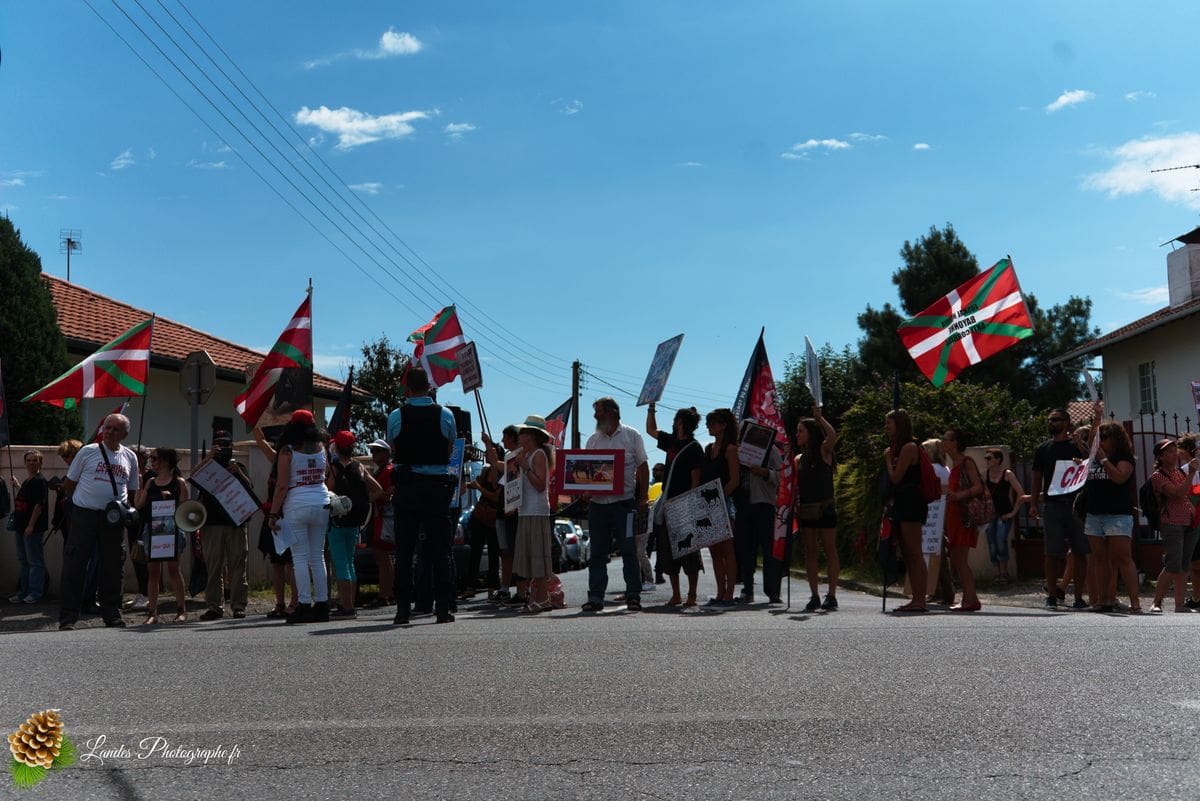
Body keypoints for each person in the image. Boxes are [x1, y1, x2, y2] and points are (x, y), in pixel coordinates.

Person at [387, 366, 458, 625]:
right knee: (440, 549)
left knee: (405, 551)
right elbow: (449, 449)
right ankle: (443, 609)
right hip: (436, 487)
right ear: (429, 387)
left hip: (407, 487)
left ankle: (402, 610)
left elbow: (393, 448)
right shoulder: (445, 414)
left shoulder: (396, 416)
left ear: (407, 389)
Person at [57, 413, 140, 630]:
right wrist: (81, 504)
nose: (109, 432)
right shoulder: (87, 452)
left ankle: (112, 614)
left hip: (113, 519)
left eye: (115, 429)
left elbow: (132, 491)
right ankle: (68, 618)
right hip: (85, 514)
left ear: (124, 434)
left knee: (113, 567)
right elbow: (69, 484)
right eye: (107, 427)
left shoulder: (130, 457)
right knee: (75, 565)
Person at [582, 397, 649, 612]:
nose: (595, 416)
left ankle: (633, 595)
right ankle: (596, 597)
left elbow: (643, 466)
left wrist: (643, 498)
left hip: (624, 504)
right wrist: (584, 490)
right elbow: (586, 472)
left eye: (599, 411)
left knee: (629, 550)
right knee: (597, 553)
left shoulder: (632, 435)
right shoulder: (593, 440)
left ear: (612, 412)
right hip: (598, 505)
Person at [268, 410, 332, 624]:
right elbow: (326, 473)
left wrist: (273, 513)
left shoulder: (288, 451)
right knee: (318, 556)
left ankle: (303, 605)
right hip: (321, 502)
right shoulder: (322, 447)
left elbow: (281, 485)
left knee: (300, 557)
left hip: (297, 503)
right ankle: (322, 605)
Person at [1082, 408, 1141, 613]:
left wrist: (1104, 460)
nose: (1099, 442)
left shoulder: (1124, 458)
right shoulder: (1094, 456)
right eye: (1099, 438)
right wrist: (1097, 418)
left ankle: (1135, 603)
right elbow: (1091, 439)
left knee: (1122, 557)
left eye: (1104, 438)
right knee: (1099, 558)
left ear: (1115, 439)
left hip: (1117, 514)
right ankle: (1104, 600)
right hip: (1094, 513)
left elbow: (1119, 478)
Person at [1029, 408, 1089, 609]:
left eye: (1056, 419)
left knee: (1080, 552)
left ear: (1066, 422)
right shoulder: (1043, 448)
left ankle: (1079, 598)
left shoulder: (1077, 446)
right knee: (1051, 553)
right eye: (1049, 420)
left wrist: (1081, 455)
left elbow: (1090, 466)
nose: (1051, 422)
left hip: (1075, 505)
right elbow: (1037, 477)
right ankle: (1052, 596)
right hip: (1052, 504)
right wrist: (1033, 503)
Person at [645, 404, 704, 607]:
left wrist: (691, 506)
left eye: (675, 419)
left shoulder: (694, 447)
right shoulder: (671, 441)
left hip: (684, 504)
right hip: (668, 504)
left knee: (689, 551)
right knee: (668, 551)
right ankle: (676, 594)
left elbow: (696, 479)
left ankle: (692, 595)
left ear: (680, 422)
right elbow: (651, 430)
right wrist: (651, 408)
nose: (673, 422)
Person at [193, 431, 254, 621]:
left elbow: (250, 487)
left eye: (226, 444)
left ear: (232, 446)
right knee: (214, 567)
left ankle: (238, 605)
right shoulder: (207, 466)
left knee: (238, 565)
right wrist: (208, 459)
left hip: (236, 522)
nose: (222, 448)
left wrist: (239, 473)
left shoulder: (238, 465)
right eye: (218, 444)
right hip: (212, 523)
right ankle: (214, 607)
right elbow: (193, 478)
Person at [326, 430, 382, 618]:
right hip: (355, 522)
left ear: (336, 447)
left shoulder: (333, 468)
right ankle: (350, 603)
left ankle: (347, 606)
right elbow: (378, 490)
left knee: (341, 563)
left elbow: (328, 493)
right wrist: (364, 501)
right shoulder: (359, 467)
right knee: (350, 562)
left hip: (337, 521)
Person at [133, 447, 188, 624]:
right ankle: (152, 613)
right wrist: (138, 486)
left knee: (173, 569)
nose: (152, 461)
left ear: (165, 461)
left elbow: (185, 510)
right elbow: (139, 505)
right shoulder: (150, 482)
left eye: (155, 458)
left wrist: (170, 500)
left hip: (172, 530)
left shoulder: (179, 482)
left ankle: (181, 610)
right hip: (153, 531)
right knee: (153, 572)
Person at [794, 406, 839, 611]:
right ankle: (814, 595)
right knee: (810, 552)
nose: (797, 434)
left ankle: (832, 595)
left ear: (810, 433)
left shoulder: (824, 451)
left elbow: (832, 435)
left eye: (801, 431)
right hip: (807, 510)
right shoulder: (798, 459)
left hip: (825, 508)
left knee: (830, 550)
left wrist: (820, 419)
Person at [884, 409, 927, 614]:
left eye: (889, 423)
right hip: (901, 502)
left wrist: (887, 460)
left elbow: (895, 477)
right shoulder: (898, 447)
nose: (886, 427)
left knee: (914, 552)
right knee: (907, 554)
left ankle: (920, 599)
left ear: (899, 425)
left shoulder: (909, 447)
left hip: (911, 502)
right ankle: (915, 598)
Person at [252, 426, 298, 618]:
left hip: (287, 515)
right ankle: (279, 603)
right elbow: (261, 442)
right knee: (276, 562)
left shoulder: (294, 461)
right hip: (273, 515)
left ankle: (295, 602)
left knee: (291, 562)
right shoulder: (276, 460)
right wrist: (254, 423)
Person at [512, 416, 556, 613]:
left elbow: (540, 485)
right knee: (531, 557)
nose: (519, 435)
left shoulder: (538, 455)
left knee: (537, 556)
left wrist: (525, 466)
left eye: (523, 432)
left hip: (536, 511)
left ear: (531, 436)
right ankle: (540, 597)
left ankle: (542, 598)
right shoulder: (527, 455)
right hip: (526, 511)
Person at [1149, 439, 1198, 613]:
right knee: (1172, 564)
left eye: (1174, 450)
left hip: (1189, 522)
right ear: (1160, 457)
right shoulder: (1158, 476)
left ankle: (1179, 605)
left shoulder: (1179, 472)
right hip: (1172, 523)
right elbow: (1177, 494)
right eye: (1169, 451)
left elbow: (1189, 493)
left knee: (1185, 565)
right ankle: (1156, 603)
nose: (1174, 453)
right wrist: (1192, 473)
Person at [735, 429, 781, 604]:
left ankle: (773, 591)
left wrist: (765, 472)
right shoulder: (738, 450)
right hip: (743, 504)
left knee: (769, 550)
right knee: (746, 550)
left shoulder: (772, 450)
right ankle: (748, 590)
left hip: (764, 503)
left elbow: (781, 476)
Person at [701, 408, 741, 606]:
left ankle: (729, 594)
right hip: (708, 504)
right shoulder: (708, 449)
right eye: (708, 423)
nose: (709, 426)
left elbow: (735, 480)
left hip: (725, 503)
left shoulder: (731, 449)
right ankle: (719, 592)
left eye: (713, 423)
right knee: (714, 551)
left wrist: (719, 499)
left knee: (727, 550)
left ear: (724, 425)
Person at [942, 428, 983, 613]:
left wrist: (959, 495)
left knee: (960, 559)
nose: (943, 442)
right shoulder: (953, 463)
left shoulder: (966, 462)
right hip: (954, 515)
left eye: (946, 439)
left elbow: (978, 487)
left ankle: (970, 599)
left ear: (955, 443)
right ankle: (969, 598)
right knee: (957, 559)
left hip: (963, 516)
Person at [482, 425, 521, 605]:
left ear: (513, 438)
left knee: (516, 552)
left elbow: (497, 464)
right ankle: (505, 589)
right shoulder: (508, 457)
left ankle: (523, 590)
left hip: (515, 512)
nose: (503, 440)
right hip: (502, 511)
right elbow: (494, 465)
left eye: (505, 437)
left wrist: (489, 444)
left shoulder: (520, 457)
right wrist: (487, 444)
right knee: (504, 552)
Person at [10, 451, 49, 604]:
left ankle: (35, 593)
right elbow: (28, 499)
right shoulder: (29, 481)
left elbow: (39, 506)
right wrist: (18, 485)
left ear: (40, 463)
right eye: (29, 460)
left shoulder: (40, 481)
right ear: (25, 462)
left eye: (35, 460)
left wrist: (31, 526)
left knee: (35, 562)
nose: (32, 463)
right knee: (24, 560)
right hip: (21, 527)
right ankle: (23, 592)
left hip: (32, 528)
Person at [462, 451, 501, 600]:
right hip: (479, 516)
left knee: (493, 553)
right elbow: (474, 484)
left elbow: (496, 497)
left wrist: (479, 488)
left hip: (494, 517)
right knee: (475, 552)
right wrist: (465, 485)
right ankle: (470, 586)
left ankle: (493, 587)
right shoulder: (485, 471)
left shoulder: (503, 473)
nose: (487, 457)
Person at [983, 448, 1025, 585]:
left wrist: (1013, 512)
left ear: (998, 459)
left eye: (989, 458)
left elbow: (1020, 493)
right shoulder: (985, 474)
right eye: (986, 458)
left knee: (1001, 539)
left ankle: (1003, 572)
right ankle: (997, 571)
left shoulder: (1007, 474)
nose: (987, 460)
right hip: (990, 514)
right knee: (991, 541)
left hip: (1004, 513)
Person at [922, 439, 954, 606]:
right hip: (941, 515)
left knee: (936, 555)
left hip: (932, 517)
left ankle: (945, 592)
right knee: (937, 554)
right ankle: (939, 591)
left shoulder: (933, 469)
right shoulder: (945, 468)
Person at [367, 439, 397, 608]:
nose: (373, 454)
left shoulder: (388, 471)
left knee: (382, 557)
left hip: (385, 517)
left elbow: (390, 493)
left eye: (377, 451)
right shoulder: (381, 471)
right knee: (384, 557)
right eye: (372, 451)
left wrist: (374, 496)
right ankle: (388, 593)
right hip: (380, 517)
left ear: (386, 453)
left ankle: (384, 594)